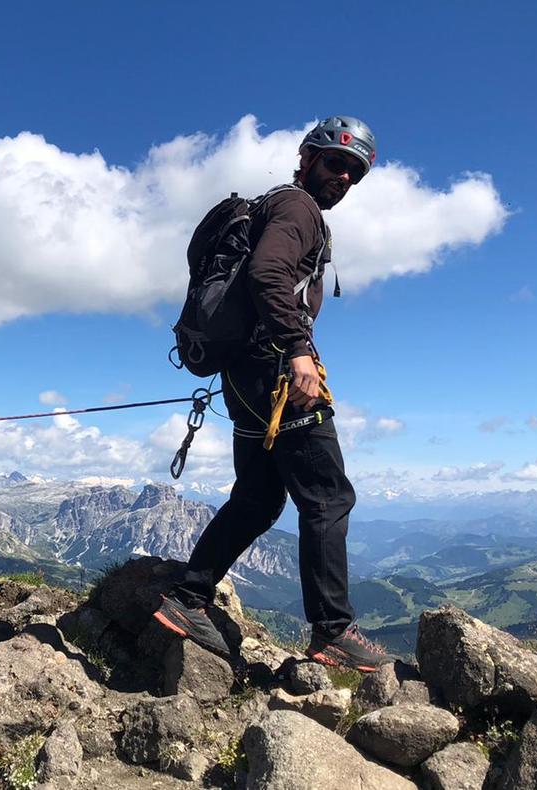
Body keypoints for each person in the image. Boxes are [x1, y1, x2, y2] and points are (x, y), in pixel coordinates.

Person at [154, 117, 396, 672]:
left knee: (259, 499)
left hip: (244, 377)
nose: (343, 178)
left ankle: (188, 598)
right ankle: (333, 630)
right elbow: (266, 273)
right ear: (307, 157)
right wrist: (298, 351)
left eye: (353, 173)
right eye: (335, 163)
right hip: (274, 373)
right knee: (328, 498)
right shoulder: (297, 208)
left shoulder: (274, 205)